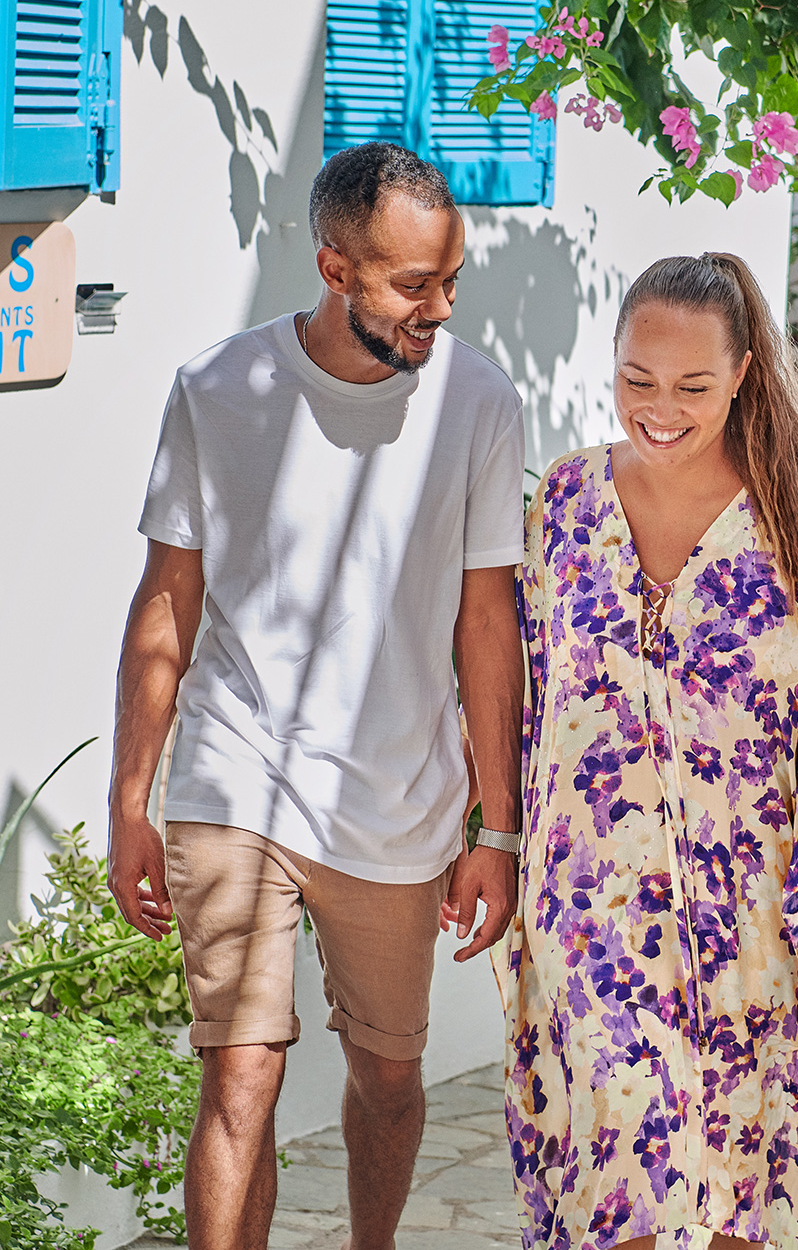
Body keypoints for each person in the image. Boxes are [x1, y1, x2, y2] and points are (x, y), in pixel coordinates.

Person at [108, 141, 525, 1250]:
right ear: (337, 270)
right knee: (240, 1074)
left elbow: (488, 623)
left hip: (397, 798)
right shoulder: (217, 390)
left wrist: (498, 828)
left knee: (388, 1078)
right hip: (235, 771)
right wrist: (130, 799)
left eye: (451, 280)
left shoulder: (479, 399)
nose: (440, 308)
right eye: (413, 284)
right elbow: (167, 603)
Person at [498, 252, 798, 1250]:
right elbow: (525, 699)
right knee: (620, 1193)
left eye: (691, 385)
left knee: (743, 1197)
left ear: (742, 374)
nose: (660, 408)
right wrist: (492, 843)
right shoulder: (564, 503)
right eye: (637, 379)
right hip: (591, 917)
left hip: (755, 920)